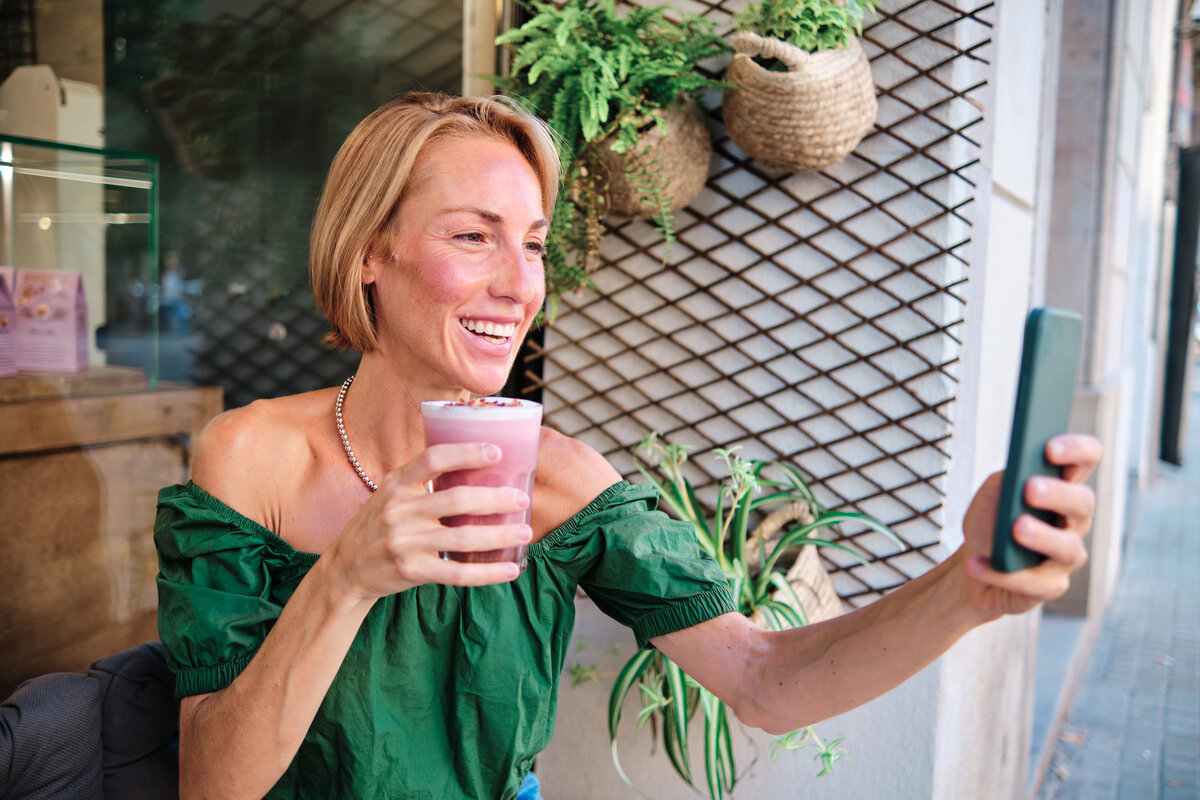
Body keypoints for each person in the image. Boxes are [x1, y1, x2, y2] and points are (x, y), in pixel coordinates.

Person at [153, 93, 1101, 800]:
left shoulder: (558, 482)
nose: (517, 285)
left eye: (531, 244)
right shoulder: (254, 460)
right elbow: (213, 780)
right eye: (473, 236)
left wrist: (965, 590)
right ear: (370, 251)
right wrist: (348, 576)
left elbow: (761, 679)